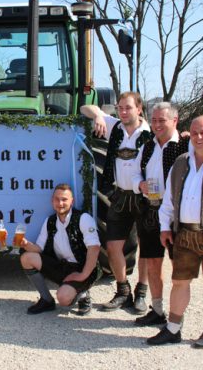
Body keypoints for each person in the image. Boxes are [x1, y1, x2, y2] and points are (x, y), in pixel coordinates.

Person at [80, 92, 151, 312]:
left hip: (144, 196)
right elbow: (85, 108)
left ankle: (141, 292)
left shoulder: (149, 133)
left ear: (139, 109)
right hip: (120, 195)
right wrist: (99, 116)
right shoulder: (115, 126)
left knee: (147, 247)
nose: (123, 111)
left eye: (127, 108)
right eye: (119, 107)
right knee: (112, 246)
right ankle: (123, 291)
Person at [147, 115, 203, 347]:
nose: (199, 137)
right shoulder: (181, 162)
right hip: (185, 233)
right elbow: (169, 200)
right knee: (180, 281)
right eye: (196, 132)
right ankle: (173, 328)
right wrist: (164, 227)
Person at [131, 102, 188, 327]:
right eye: (153, 120)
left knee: (179, 269)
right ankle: (157, 310)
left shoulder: (186, 146)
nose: (156, 125)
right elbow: (135, 175)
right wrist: (140, 185)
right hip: (150, 210)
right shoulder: (147, 147)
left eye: (161, 120)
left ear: (174, 121)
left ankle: (177, 318)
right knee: (153, 263)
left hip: (177, 214)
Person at [20, 184, 100, 315]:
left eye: (64, 199)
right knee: (27, 257)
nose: (60, 203)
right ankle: (46, 300)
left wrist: (83, 275)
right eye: (57, 199)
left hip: (82, 268)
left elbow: (94, 248)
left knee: (63, 299)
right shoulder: (50, 221)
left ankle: (83, 295)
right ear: (52, 201)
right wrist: (25, 244)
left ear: (72, 201)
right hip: (62, 265)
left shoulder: (83, 218)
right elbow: (39, 249)